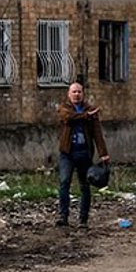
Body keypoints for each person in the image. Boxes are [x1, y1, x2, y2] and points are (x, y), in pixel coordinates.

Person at [56, 82, 109, 228]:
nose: (77, 94)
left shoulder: (90, 111)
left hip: (84, 152)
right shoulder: (64, 108)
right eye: (74, 92)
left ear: (83, 94)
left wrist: (103, 153)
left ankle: (83, 220)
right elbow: (68, 118)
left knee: (85, 186)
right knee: (64, 182)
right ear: (69, 94)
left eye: (79, 92)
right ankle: (63, 216)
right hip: (67, 152)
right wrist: (85, 116)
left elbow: (97, 133)